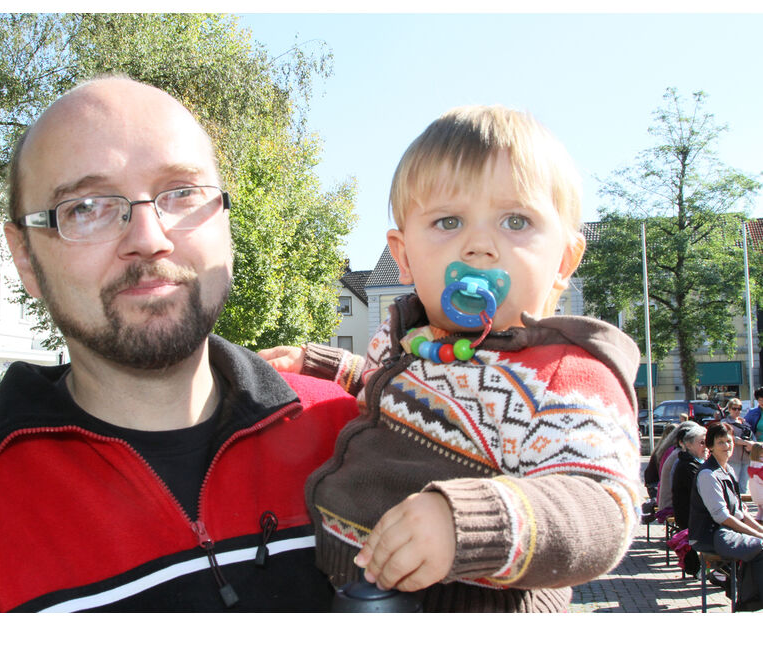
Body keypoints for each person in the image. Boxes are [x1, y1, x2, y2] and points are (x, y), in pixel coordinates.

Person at [0, 76, 360, 612]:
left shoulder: (355, 437)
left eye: (182, 192)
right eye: (85, 207)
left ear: (225, 222)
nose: (148, 238)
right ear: (25, 256)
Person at [262, 105, 641, 612]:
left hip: (473, 603)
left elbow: (602, 508)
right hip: (351, 585)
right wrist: (326, 366)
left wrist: (472, 523)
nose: (478, 246)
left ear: (564, 261)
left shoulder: (562, 375)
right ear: (403, 256)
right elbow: (389, 386)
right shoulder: (409, 335)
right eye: (448, 221)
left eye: (516, 221)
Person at [688, 423, 763, 605]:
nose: (727, 446)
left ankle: (746, 596)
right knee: (760, 547)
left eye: (729, 441)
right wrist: (759, 536)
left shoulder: (728, 470)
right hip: (709, 535)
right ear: (710, 446)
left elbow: (739, 513)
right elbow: (722, 517)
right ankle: (749, 601)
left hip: (725, 532)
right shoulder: (708, 474)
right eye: (720, 442)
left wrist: (761, 531)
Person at [671, 423, 708, 531]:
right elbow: (703, 493)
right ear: (688, 445)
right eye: (702, 443)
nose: (706, 447)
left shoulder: (697, 462)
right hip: (691, 520)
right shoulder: (687, 466)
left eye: (707, 442)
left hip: (698, 517)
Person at [722, 397, 755, 494]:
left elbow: (753, 438)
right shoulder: (725, 423)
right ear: (729, 409)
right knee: (733, 486)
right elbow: (728, 438)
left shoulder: (745, 423)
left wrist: (752, 444)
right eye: (734, 408)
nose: (737, 411)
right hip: (732, 458)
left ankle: (742, 503)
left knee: (744, 487)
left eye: (739, 408)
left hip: (746, 458)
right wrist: (746, 443)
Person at [749, 443, 763, 522]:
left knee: (760, 509)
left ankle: (758, 519)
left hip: (756, 495)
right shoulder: (760, 469)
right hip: (761, 494)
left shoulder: (752, 467)